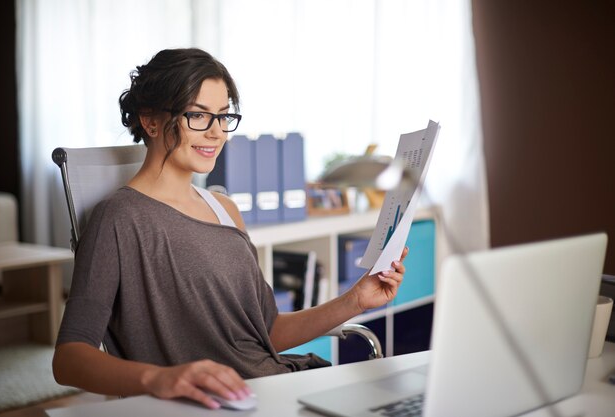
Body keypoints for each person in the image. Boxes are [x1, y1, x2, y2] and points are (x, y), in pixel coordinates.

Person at [52, 48, 408, 410]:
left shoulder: (224, 209)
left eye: (223, 117)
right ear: (151, 120)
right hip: (213, 405)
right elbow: (69, 359)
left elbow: (265, 332)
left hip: (277, 391)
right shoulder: (118, 219)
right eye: (198, 116)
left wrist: (356, 299)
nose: (216, 133)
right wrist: (157, 378)